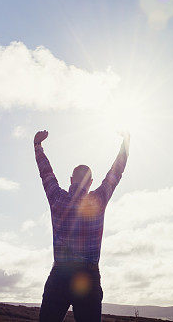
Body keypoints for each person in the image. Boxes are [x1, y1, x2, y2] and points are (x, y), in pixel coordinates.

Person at [34, 129, 130, 322]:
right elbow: (115, 173)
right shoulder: (98, 199)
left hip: (60, 274)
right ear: (91, 182)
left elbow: (46, 173)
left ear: (71, 180)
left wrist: (38, 146)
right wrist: (125, 143)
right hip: (89, 276)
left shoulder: (57, 198)